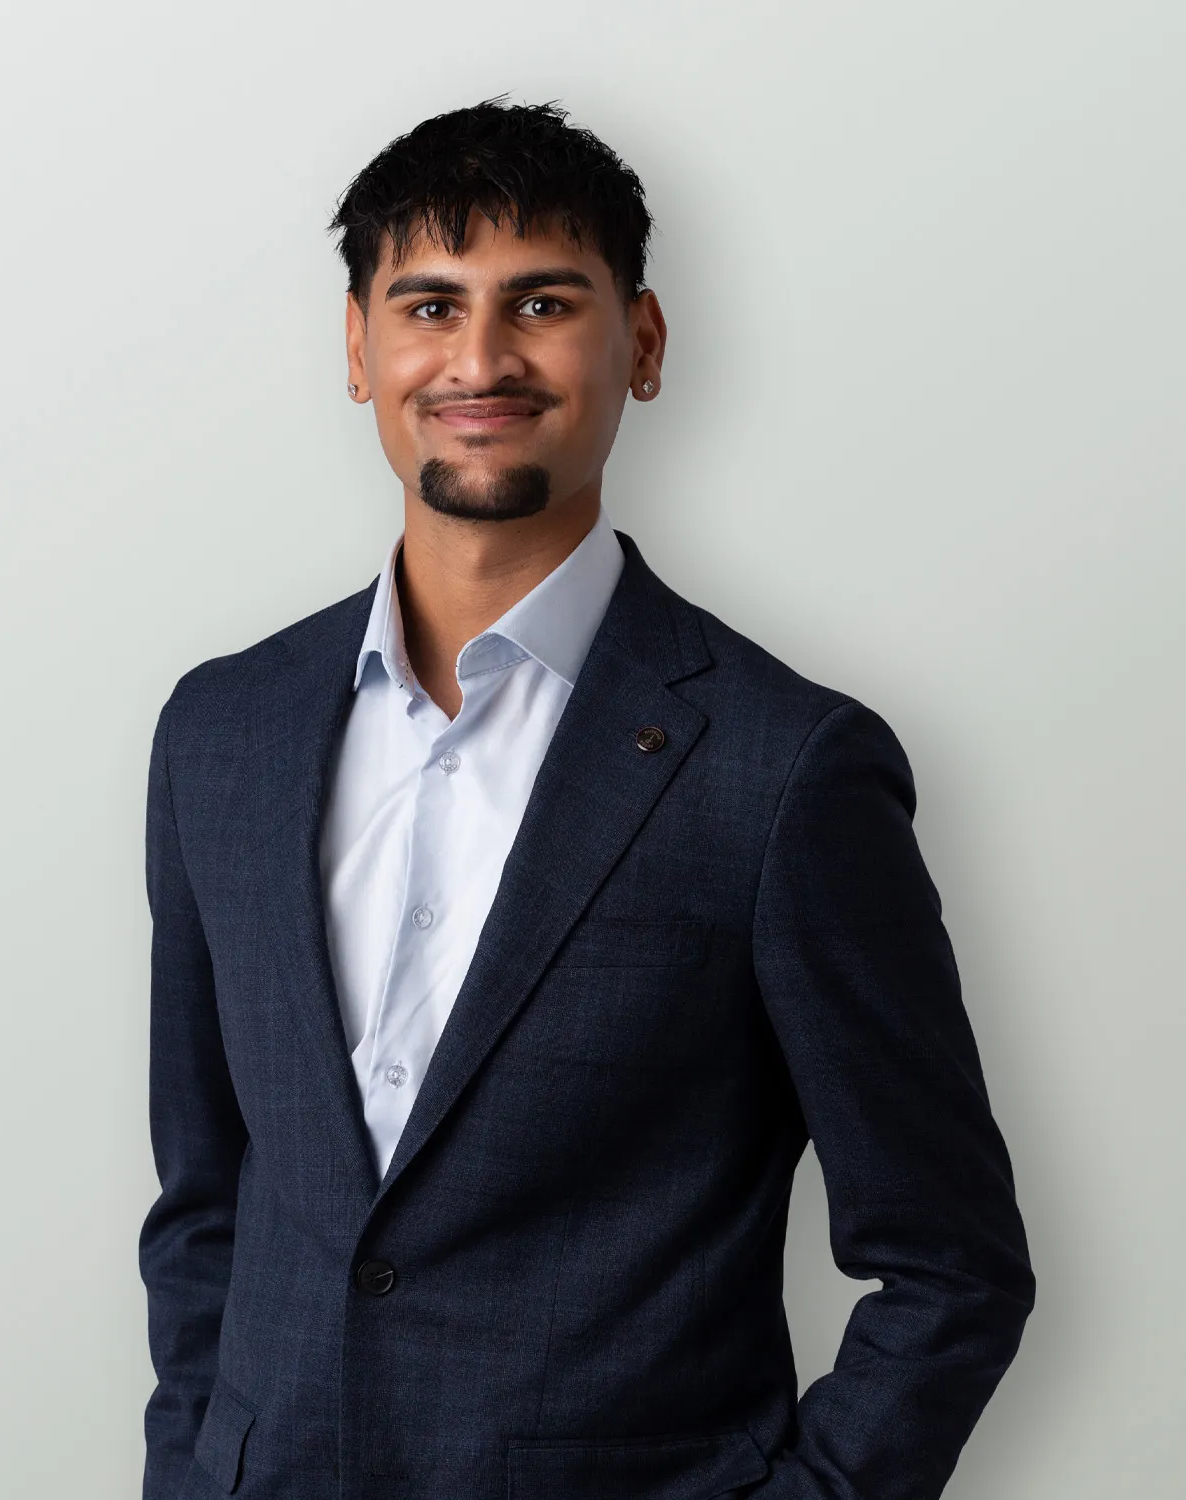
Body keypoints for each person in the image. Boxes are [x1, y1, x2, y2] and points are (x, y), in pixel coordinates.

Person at [139, 98, 1034, 1500]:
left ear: (645, 343)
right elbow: (205, 1205)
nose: (480, 358)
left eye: (543, 303)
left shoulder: (784, 769)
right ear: (359, 349)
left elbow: (950, 1264)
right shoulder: (221, 733)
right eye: (429, 305)